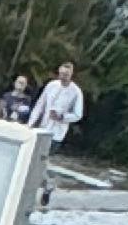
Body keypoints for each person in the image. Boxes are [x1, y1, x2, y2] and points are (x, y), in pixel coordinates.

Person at [32, 56, 87, 204]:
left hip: (56, 133)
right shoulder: (51, 86)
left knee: (40, 160)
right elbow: (40, 105)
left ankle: (42, 185)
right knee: (36, 161)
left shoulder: (76, 92)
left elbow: (78, 114)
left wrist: (62, 117)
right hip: (43, 128)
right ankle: (46, 183)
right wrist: (30, 124)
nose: (63, 78)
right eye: (61, 74)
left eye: (66, 75)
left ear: (71, 75)